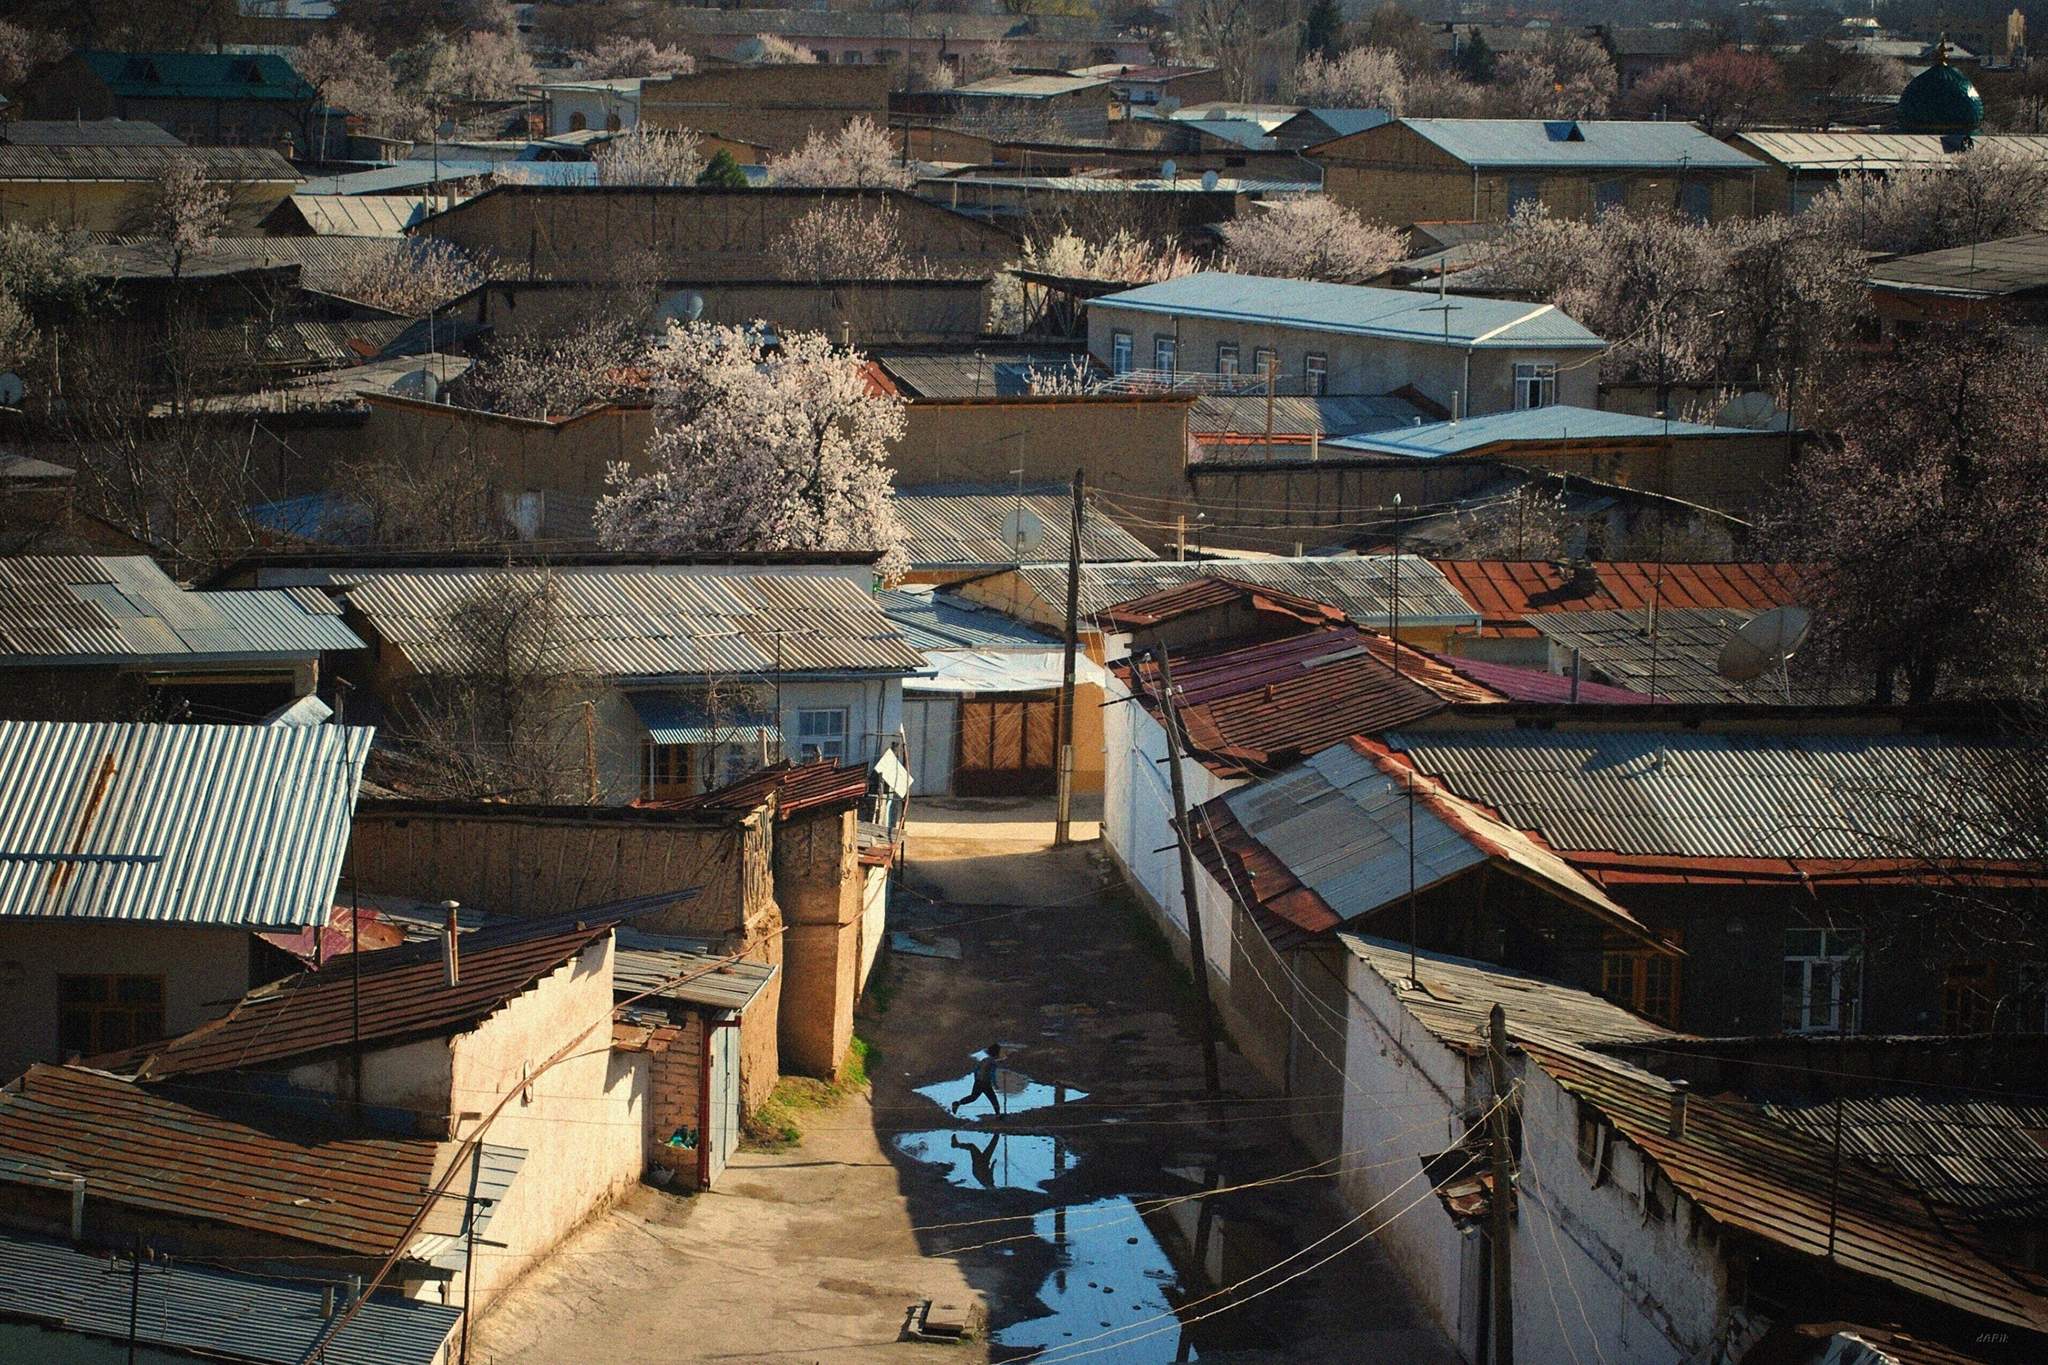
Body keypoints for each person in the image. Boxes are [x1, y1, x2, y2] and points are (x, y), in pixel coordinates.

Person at [951, 1043, 1004, 1117]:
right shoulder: (993, 1063)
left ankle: (958, 1103)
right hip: (986, 1083)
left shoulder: (984, 1060)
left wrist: (976, 1079)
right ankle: (998, 1115)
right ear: (997, 1053)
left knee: (973, 1097)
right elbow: (992, 1074)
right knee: (993, 1099)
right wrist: (995, 1084)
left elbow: (976, 1070)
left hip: (978, 1081)